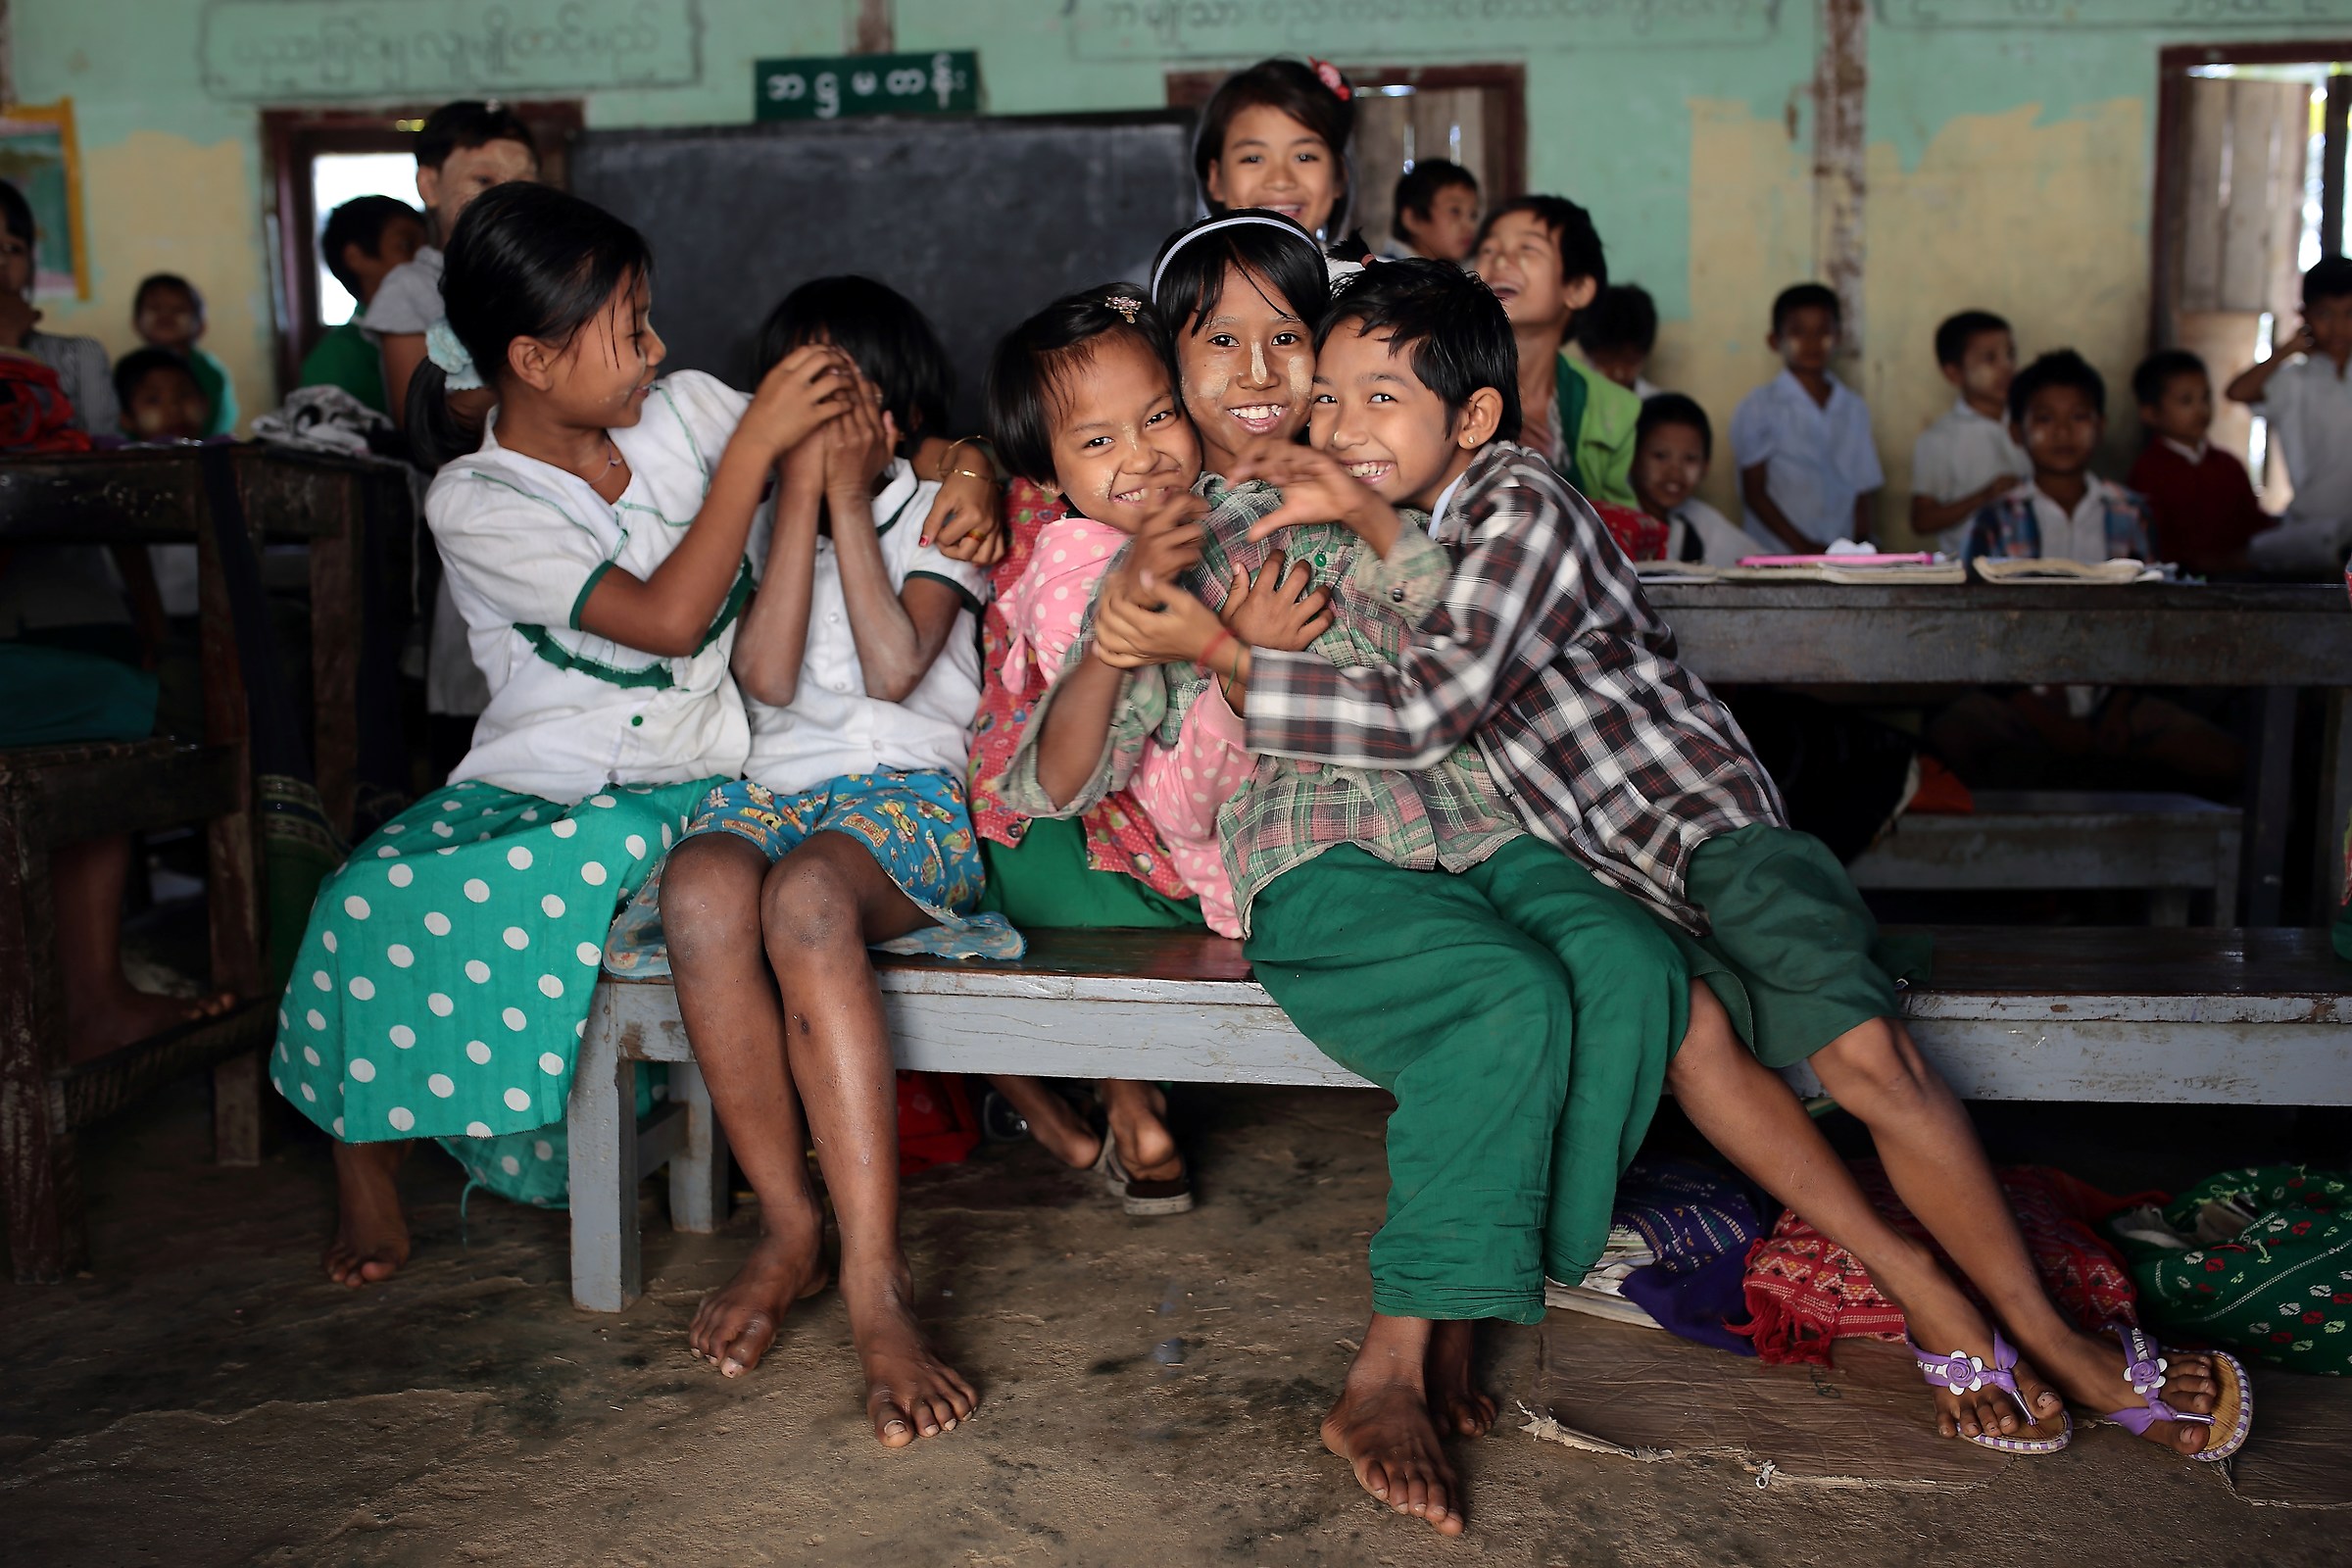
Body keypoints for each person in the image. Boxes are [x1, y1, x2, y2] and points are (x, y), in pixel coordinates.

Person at [1137, 261, 2250, 1510]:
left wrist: (1229, 656)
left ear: (1475, 419)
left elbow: (1429, 708)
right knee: (1693, 1034)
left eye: (1377, 398)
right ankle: (1929, 1289)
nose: (1338, 429)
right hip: (1615, 877)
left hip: (1705, 840)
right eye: (1326, 400)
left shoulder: (1520, 506)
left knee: (1872, 1064)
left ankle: (2061, 1344)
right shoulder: (1406, 530)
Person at [1007, 262, 1695, 1538]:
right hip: (1320, 848)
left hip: (1476, 822)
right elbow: (1059, 779)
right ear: (1182, 370)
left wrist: (1357, 520)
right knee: (1509, 998)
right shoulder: (1180, 540)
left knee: (1639, 967)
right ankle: (1391, 1364)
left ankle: (1479, 1282)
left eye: (1292, 350)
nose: (1261, 376)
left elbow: (1446, 613)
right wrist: (1128, 640)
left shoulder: (1374, 494)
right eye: (1223, 347)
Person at [271, 183, 859, 1288]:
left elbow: (852, 441)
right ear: (533, 361)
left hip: (693, 773)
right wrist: (757, 460)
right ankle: (364, 1154)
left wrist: (941, 454)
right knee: (360, 894)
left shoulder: (687, 410)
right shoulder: (477, 499)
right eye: (630, 329)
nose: (659, 348)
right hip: (536, 773)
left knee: (575, 862)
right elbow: (665, 617)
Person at [650, 276, 988, 1445]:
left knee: (800, 903)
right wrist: (797, 495)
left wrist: (853, 500)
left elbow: (896, 668)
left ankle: (875, 1278)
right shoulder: (757, 518)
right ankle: (790, 1225)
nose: (820, 425)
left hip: (907, 807)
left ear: (895, 416)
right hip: (777, 794)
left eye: (843, 402)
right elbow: (770, 680)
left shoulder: (943, 503)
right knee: (697, 885)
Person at [966, 261, 1325, 1207]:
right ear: (1048, 478)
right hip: (1096, 835)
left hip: (1173, 839)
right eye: (1097, 439)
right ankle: (1124, 1093)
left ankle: (1122, 1105)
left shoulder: (1232, 509)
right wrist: (1231, 658)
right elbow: (1144, 786)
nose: (1144, 454)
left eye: (1159, 416)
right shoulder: (1074, 566)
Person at [1936, 351, 2242, 797]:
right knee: (1948, 741)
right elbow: (1972, 629)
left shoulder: (2130, 512)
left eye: (2079, 417)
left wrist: (2117, 709)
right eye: (2045, 418)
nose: (2063, 431)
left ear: (2099, 426)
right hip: (2020, 701)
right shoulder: (1994, 519)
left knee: (2229, 762)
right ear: (2017, 432)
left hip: (2116, 700)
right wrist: (2041, 715)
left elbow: (2151, 620)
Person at [1471, 194, 1639, 507]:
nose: (1500, 261)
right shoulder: (1436, 377)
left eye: (1527, 248)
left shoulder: (1613, 411)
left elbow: (1619, 528)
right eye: (1488, 249)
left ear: (1575, 290)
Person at [1731, 281, 1883, 547]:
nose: (1812, 342)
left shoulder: (1853, 408)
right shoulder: (1759, 407)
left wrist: (1860, 546)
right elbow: (1755, 493)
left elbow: (1861, 491)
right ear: (1774, 341)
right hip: (1777, 554)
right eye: (1798, 332)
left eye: (1822, 331)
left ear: (1838, 337)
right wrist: (1803, 547)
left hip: (1840, 556)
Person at [2227, 255, 2352, 574]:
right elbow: (2237, 391)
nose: (2338, 326)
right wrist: (2287, 350)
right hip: (2311, 526)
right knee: (2258, 554)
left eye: (2350, 314)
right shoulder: (2294, 380)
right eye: (2325, 314)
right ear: (2304, 316)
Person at [1193, 57, 1361, 260]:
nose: (1280, 181)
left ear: (1339, 176)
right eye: (1253, 158)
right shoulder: (1191, 290)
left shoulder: (1374, 289)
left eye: (1304, 157)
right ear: (1217, 179)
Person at [2130, 349, 2276, 575]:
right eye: (2186, 401)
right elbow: (2153, 545)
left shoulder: (2229, 466)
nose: (2201, 409)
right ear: (2150, 413)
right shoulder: (2147, 472)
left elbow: (2253, 526)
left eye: (2206, 397)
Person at [1909, 309, 2027, 555]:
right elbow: (1922, 521)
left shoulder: (2034, 424)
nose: (2006, 368)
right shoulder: (1939, 439)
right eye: (1989, 358)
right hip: (1969, 571)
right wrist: (1983, 497)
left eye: (2010, 355)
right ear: (1954, 373)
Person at [299, 195, 427, 415]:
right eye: (406, 246)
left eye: (428, 247)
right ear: (356, 258)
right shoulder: (336, 359)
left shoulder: (441, 332)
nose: (426, 259)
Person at [1632, 393, 1746, 565]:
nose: (1674, 473)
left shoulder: (1700, 525)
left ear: (1705, 466)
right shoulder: (1612, 524)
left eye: (1690, 459)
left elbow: (1756, 562)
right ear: (1631, 457)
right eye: (1660, 456)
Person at [1576, 283, 1660, 399]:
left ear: (1644, 354)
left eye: (1630, 360)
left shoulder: (1661, 407)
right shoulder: (1569, 405)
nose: (1618, 373)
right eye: (1606, 360)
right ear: (1589, 354)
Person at [1385, 159, 1478, 264]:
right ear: (1413, 219)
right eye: (1455, 211)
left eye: (1473, 215)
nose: (1469, 227)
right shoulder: (1390, 276)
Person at [113, 348, 212, 443]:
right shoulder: (113, 457)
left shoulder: (223, 455)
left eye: (184, 394)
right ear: (126, 419)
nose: (174, 409)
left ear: (204, 404)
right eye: (154, 400)